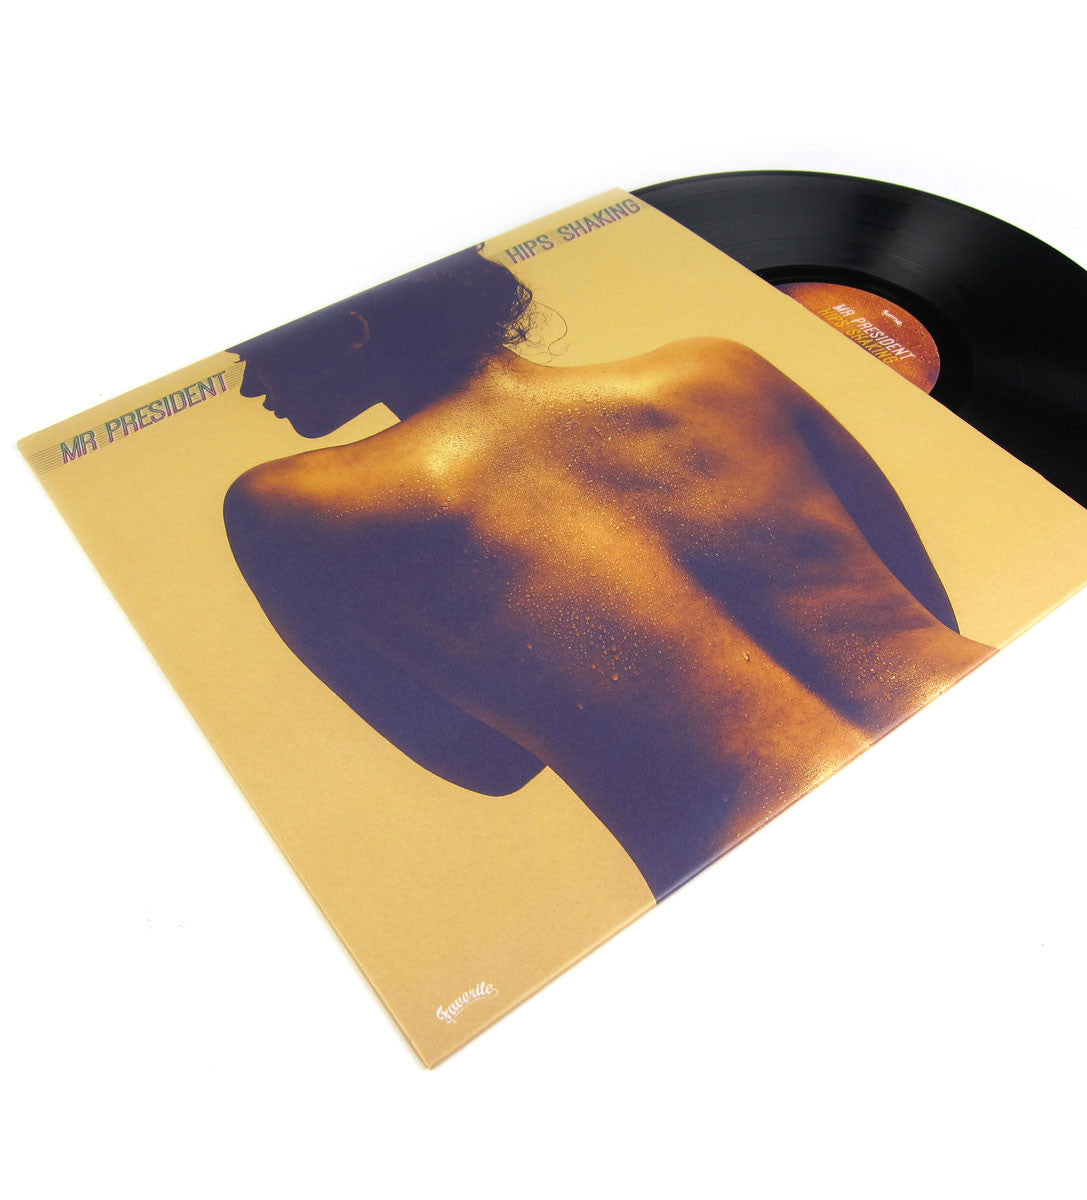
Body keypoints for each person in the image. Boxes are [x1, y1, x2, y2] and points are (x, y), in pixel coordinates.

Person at [224, 248, 991, 898]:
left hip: (776, 859)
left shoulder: (290, 507)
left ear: (351, 326)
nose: (250, 383)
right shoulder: (716, 369)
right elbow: (922, 610)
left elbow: (486, 763)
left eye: (251, 350)